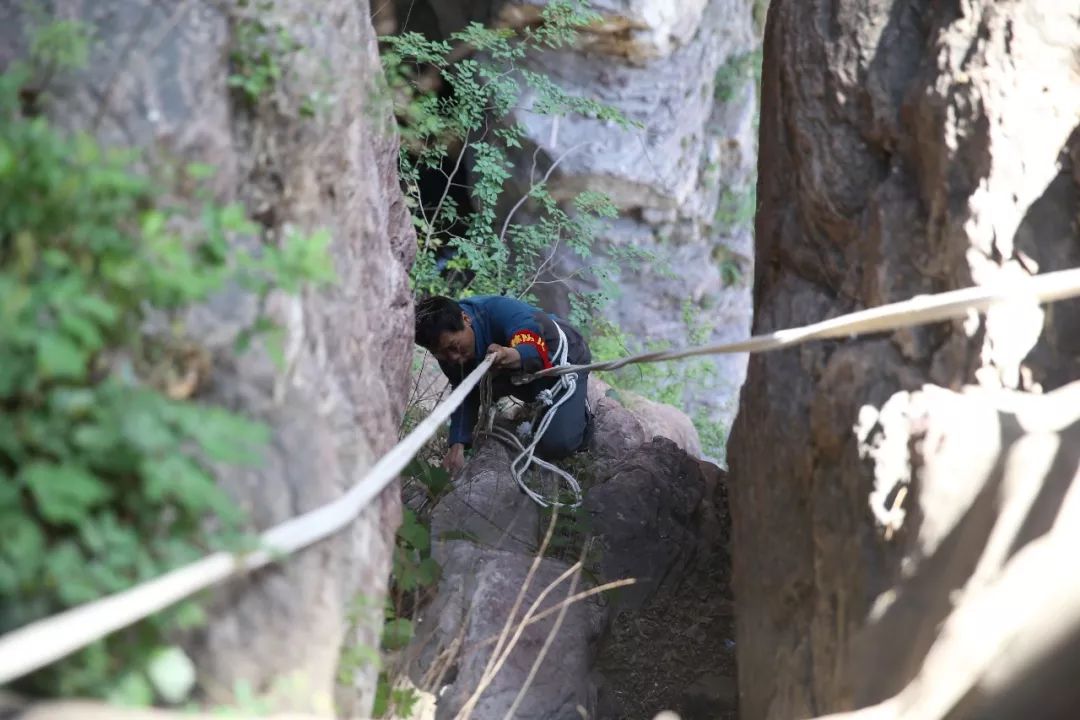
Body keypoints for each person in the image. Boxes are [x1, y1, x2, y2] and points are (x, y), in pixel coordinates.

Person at [414, 295, 592, 474]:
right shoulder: (449, 350)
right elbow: (465, 390)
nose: (453, 358)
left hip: (560, 358)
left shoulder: (501, 310)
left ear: (466, 319)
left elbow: (529, 341)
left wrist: (513, 355)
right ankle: (538, 399)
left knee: (558, 444)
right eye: (441, 354)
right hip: (518, 374)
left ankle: (579, 410)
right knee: (492, 383)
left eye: (454, 347)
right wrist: (457, 444)